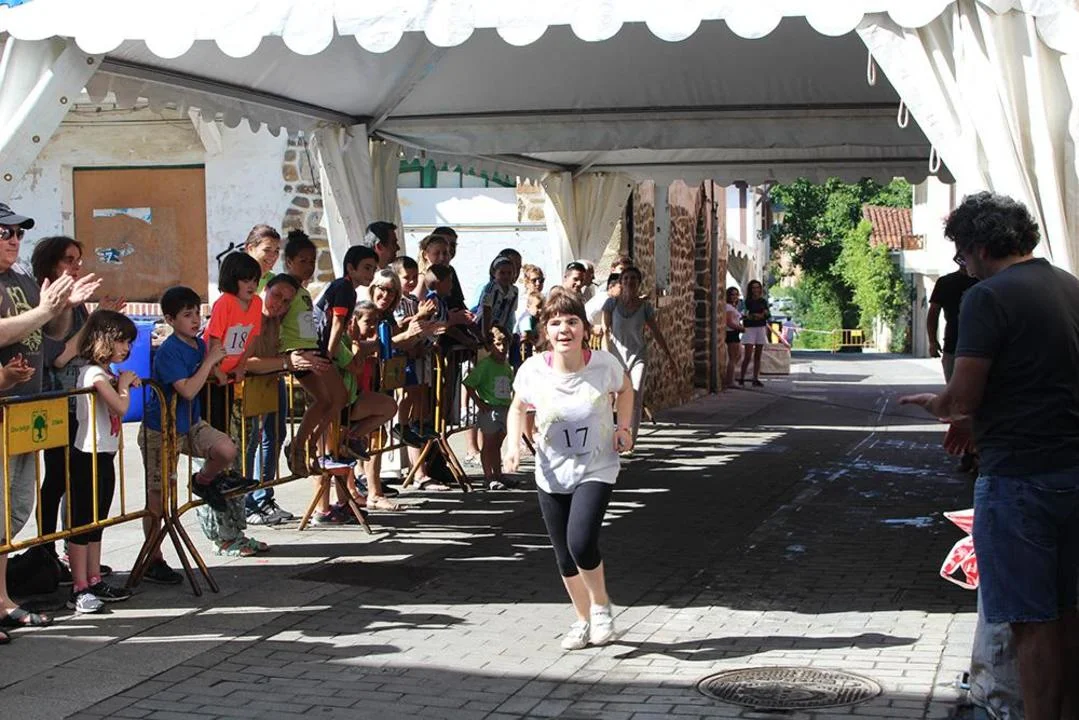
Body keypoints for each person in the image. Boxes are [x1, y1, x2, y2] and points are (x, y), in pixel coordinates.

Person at [899, 191, 1079, 720]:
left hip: (1019, 477)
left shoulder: (987, 298)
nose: (963, 266)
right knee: (1069, 613)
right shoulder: (1070, 287)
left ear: (979, 246)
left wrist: (940, 406)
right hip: (1072, 468)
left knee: (1030, 621)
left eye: (961, 254)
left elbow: (963, 395)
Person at [504, 290, 634, 650]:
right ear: (545, 330)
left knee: (581, 542)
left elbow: (626, 390)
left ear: (584, 328)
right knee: (564, 556)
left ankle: (601, 606)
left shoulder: (603, 365)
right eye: (556, 322)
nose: (564, 329)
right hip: (551, 472)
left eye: (572, 321)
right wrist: (513, 446)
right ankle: (582, 620)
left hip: (596, 466)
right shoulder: (533, 371)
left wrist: (624, 428)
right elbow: (517, 408)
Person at [0, 202, 100, 638]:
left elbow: (50, 337)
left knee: (13, 513)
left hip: (25, 410)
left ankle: (3, 599)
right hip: (4, 410)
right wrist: (45, 311)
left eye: (18, 233)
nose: (14, 240)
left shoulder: (22, 278)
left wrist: (65, 306)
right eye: (5, 233)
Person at [32, 235, 124, 581]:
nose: (76, 266)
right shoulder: (49, 301)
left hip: (79, 402)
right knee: (58, 478)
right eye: (69, 260)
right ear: (52, 265)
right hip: (60, 403)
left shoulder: (78, 303)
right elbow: (59, 355)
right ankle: (46, 550)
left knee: (80, 482)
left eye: (78, 259)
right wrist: (94, 318)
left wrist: (102, 320)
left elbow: (84, 347)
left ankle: (75, 552)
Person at [139, 286, 240, 580]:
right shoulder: (169, 351)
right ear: (170, 320)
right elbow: (187, 389)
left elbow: (209, 374)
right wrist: (209, 363)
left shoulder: (198, 345)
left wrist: (219, 368)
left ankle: (203, 480)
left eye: (197, 313)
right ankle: (153, 557)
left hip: (190, 423)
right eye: (187, 315)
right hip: (161, 429)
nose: (195, 320)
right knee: (158, 498)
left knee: (226, 449)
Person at [242, 274, 328, 525]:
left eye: (286, 301)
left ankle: (262, 497)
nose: (279, 304)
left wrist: (290, 363)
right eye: (276, 296)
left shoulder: (276, 320)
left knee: (274, 436)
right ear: (265, 290)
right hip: (244, 390)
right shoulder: (251, 316)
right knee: (250, 444)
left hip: (268, 384)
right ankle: (248, 503)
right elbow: (244, 362)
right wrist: (286, 362)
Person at [66, 310, 138, 613]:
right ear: (102, 340)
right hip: (87, 453)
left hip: (104, 452)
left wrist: (121, 380)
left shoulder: (105, 372)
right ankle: (79, 586)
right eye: (121, 341)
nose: (126, 348)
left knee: (98, 520)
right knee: (82, 522)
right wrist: (124, 384)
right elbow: (120, 407)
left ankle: (94, 578)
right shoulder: (93, 373)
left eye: (129, 343)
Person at [278, 230, 346, 476]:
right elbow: (274, 318)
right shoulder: (285, 288)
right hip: (299, 352)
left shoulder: (304, 292)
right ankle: (302, 445)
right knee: (329, 398)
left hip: (312, 348)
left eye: (312, 261)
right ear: (289, 262)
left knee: (335, 398)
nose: (308, 266)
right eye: (302, 261)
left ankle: (306, 444)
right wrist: (284, 354)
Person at [602, 266, 674, 442]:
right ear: (621, 282)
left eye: (634, 278)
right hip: (617, 357)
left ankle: (629, 440)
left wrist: (669, 356)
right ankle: (612, 435)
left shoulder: (645, 307)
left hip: (638, 356)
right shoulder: (611, 304)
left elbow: (656, 332)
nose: (630, 281)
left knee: (635, 396)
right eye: (626, 278)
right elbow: (605, 331)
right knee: (614, 397)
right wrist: (606, 356)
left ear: (639, 282)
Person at [463, 326, 515, 490]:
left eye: (505, 344)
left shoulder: (506, 366)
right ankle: (489, 476)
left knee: (497, 444)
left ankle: (498, 474)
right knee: (488, 444)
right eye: (498, 344)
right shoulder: (485, 365)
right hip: (490, 409)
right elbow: (469, 383)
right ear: (490, 346)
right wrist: (479, 402)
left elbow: (511, 385)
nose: (502, 348)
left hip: (504, 408)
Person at [928, 262, 979, 381]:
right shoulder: (946, 282)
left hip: (969, 345)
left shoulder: (985, 281)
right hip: (954, 344)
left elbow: (933, 313)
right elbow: (933, 313)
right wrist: (932, 341)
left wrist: (933, 341)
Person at [738, 279, 769, 387]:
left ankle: (755, 378)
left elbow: (767, 314)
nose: (756, 290)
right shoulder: (746, 302)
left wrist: (761, 315)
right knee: (748, 355)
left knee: (758, 355)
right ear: (750, 289)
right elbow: (743, 315)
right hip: (750, 328)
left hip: (760, 327)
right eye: (753, 288)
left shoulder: (763, 301)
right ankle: (742, 377)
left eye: (757, 287)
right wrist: (754, 316)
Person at [244, 224, 281, 291]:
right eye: (267, 250)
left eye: (276, 251)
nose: (273, 256)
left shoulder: (275, 281)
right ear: (250, 249)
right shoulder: (235, 280)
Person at [723, 286, 744, 390]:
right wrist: (742, 329)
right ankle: (730, 381)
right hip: (731, 332)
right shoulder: (728, 307)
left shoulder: (732, 307)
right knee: (733, 357)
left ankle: (731, 379)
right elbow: (729, 322)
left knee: (737, 355)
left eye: (736, 294)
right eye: (732, 294)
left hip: (734, 332)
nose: (735, 296)